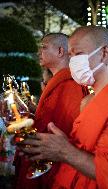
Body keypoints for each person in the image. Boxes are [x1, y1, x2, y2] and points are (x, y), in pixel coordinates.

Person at [19, 26, 108, 189]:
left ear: (104, 53)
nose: (73, 62)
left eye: (78, 54)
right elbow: (87, 150)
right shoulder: (87, 100)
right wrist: (58, 146)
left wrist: (65, 151)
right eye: (71, 55)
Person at [15, 33, 87, 189]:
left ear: (60, 51)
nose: (39, 52)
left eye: (44, 47)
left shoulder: (70, 84)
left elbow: (66, 128)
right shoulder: (58, 82)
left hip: (51, 164)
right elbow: (49, 119)